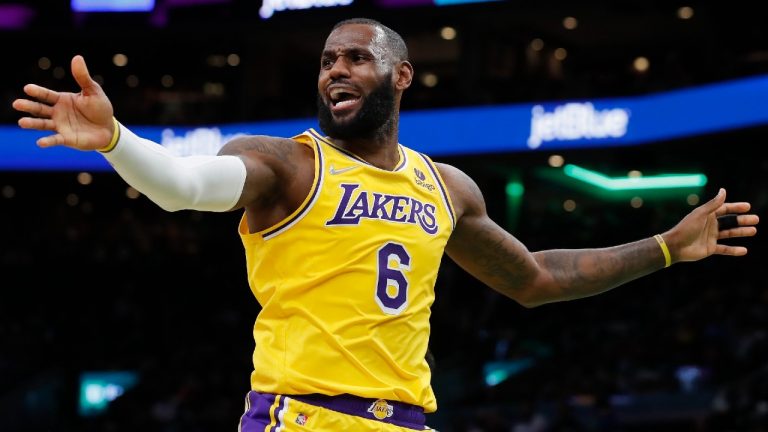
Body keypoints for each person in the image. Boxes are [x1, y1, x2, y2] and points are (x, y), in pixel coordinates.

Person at [12, 17, 759, 432]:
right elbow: (185, 188)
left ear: (402, 75)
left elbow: (533, 278)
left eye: (356, 59)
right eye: (327, 60)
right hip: (301, 420)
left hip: (405, 424)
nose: (335, 70)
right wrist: (117, 141)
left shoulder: (447, 186)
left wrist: (666, 247)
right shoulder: (287, 165)